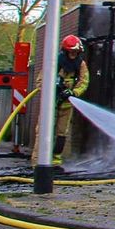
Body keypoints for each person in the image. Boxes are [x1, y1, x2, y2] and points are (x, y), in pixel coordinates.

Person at [34, 35, 89, 166]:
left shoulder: (81, 64)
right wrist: (53, 88)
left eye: (76, 52)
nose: (74, 55)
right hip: (50, 104)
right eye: (71, 52)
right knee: (43, 131)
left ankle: (56, 161)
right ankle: (37, 162)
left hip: (67, 104)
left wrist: (73, 92)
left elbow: (84, 82)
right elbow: (40, 82)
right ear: (65, 51)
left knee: (61, 133)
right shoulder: (54, 62)